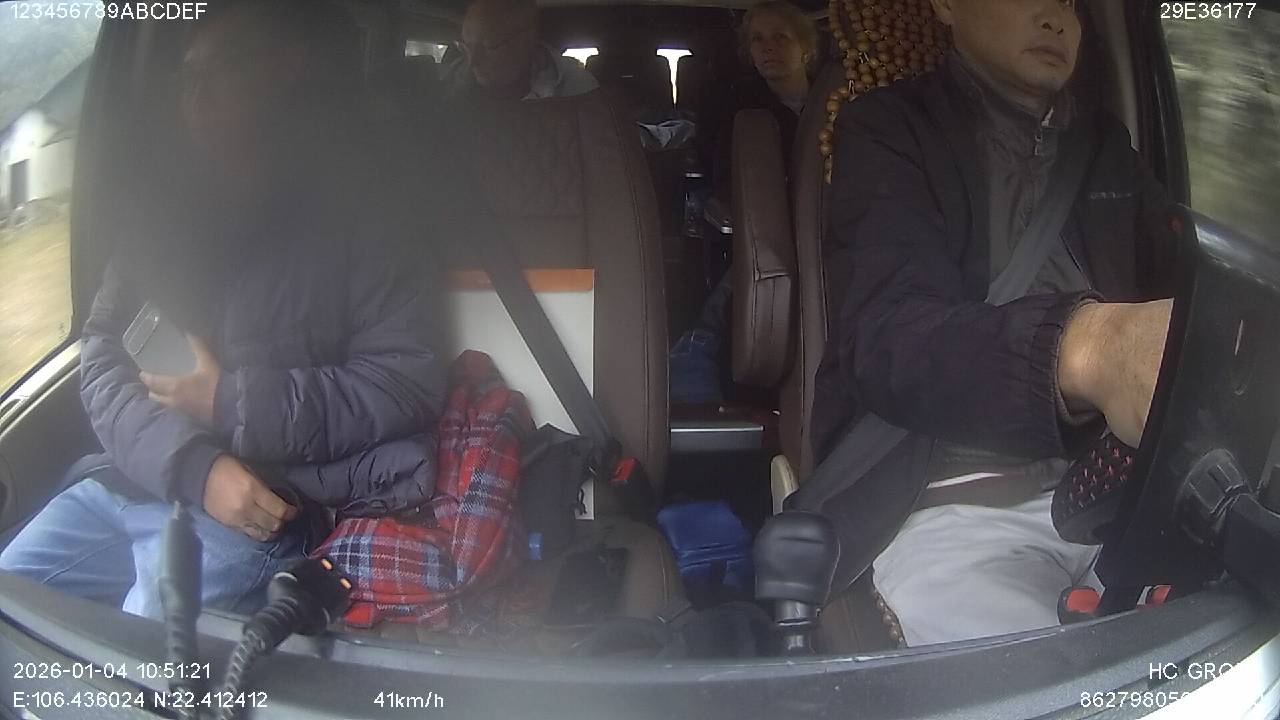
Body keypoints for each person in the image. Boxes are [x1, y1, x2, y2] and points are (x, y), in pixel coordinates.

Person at [0, 0, 444, 619]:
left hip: (261, 507)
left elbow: (403, 383)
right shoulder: (160, 211)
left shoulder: (368, 213)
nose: (198, 93)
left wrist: (230, 403)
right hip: (136, 479)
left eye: (225, 65)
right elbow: (100, 354)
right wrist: (193, 466)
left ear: (288, 67)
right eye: (189, 74)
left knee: (147, 654)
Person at [811, 0, 1179, 645]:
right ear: (946, 6)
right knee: (1052, 680)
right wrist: (1087, 350)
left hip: (1116, 493)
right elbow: (886, 337)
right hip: (953, 498)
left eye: (1071, 1)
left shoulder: (1104, 145)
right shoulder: (889, 127)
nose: (1056, 17)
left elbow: (1184, 276)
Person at [670, 0, 818, 405]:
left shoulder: (838, 100)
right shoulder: (738, 107)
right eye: (757, 39)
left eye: (780, 36)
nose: (768, 46)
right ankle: (699, 347)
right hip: (767, 226)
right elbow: (727, 180)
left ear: (806, 48)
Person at [443, 0, 598, 101]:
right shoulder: (446, 85)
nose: (473, 62)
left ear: (528, 41)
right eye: (465, 47)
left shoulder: (578, 91)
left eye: (489, 46)